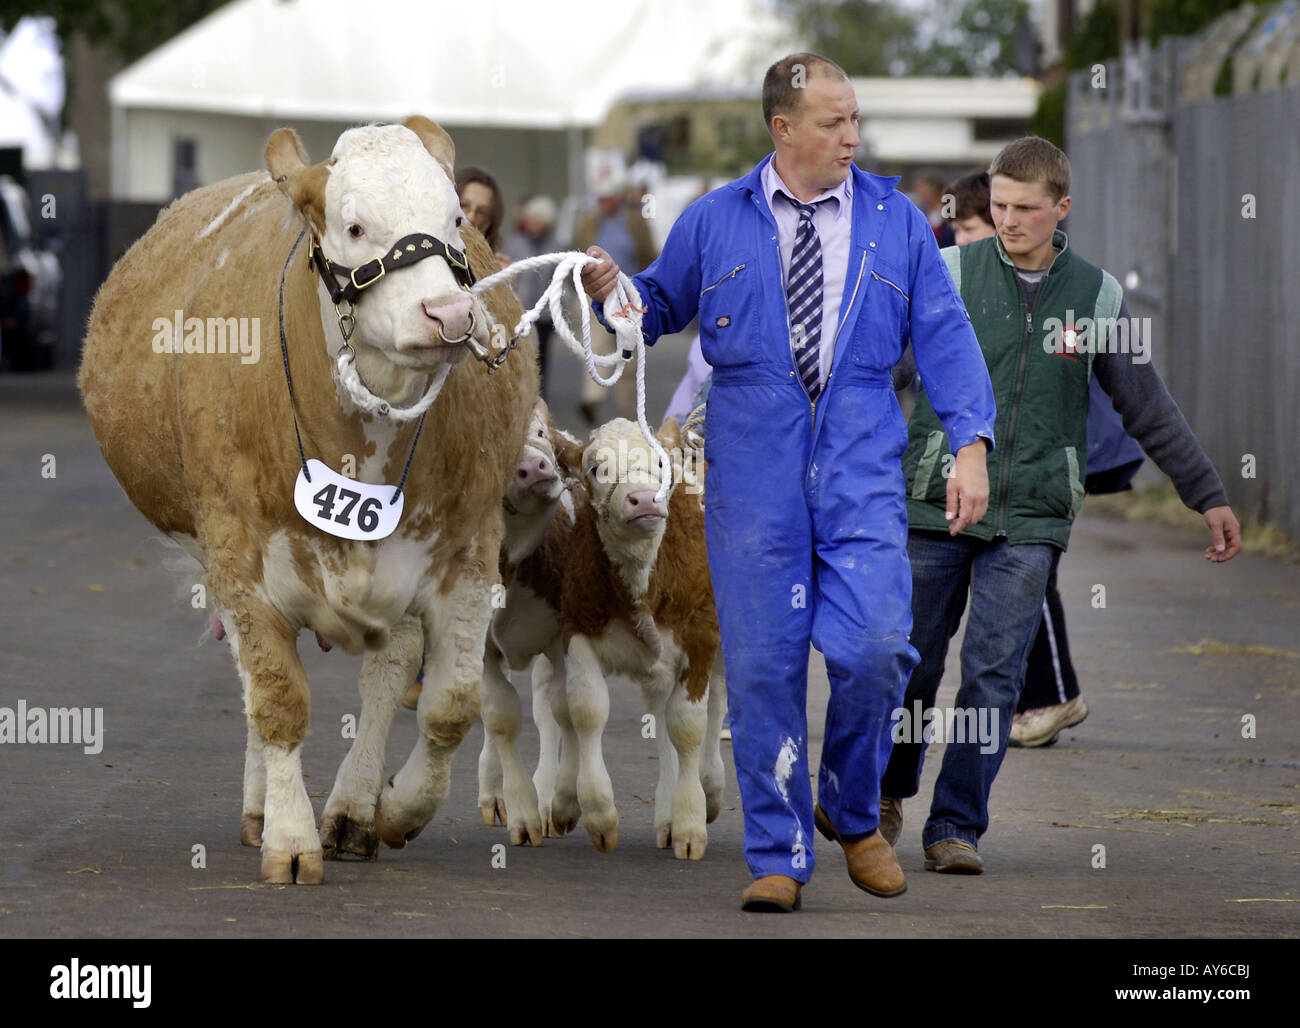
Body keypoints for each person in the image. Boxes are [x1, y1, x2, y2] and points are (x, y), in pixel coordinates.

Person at [581, 53, 996, 913]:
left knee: (878, 647)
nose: (853, 135)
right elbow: (653, 309)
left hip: (859, 466)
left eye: (855, 120)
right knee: (765, 668)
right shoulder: (713, 219)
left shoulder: (898, 221)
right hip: (752, 472)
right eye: (834, 121)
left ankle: (850, 811)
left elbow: (946, 337)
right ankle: (777, 853)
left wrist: (970, 444)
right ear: (785, 128)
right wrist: (609, 289)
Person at [880, 136, 1241, 874]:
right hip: (934, 500)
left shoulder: (1098, 296)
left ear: (1061, 209)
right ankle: (886, 790)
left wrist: (1207, 495)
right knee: (910, 664)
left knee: (994, 674)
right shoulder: (945, 274)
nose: (1007, 220)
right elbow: (878, 376)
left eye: (1024, 209)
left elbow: (1149, 407)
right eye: (999, 206)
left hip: (1036, 511)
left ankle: (955, 827)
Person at [573, 172, 658, 424]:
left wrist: (649, 288)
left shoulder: (635, 222)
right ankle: (592, 398)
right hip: (596, 293)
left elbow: (649, 254)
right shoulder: (590, 223)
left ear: (618, 199)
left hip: (629, 293)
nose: (603, 204)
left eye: (607, 199)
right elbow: (576, 252)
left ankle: (627, 410)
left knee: (628, 353)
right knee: (596, 347)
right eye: (600, 199)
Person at [506, 194, 560, 395]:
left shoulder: (557, 245)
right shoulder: (516, 242)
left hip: (545, 313)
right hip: (521, 309)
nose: (529, 223)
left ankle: (540, 396)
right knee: (521, 354)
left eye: (534, 219)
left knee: (541, 358)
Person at [456, 165, 510, 269]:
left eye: (481, 212)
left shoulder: (493, 268)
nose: (471, 217)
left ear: (490, 223)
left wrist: (502, 282)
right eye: (464, 205)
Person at [911, 169, 956, 247]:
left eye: (923, 191)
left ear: (934, 190)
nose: (919, 195)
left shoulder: (950, 210)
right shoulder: (923, 211)